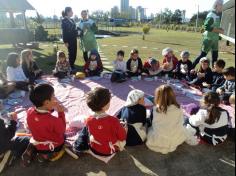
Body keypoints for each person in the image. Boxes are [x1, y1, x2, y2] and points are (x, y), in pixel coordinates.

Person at [74, 87, 127, 156]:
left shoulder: (88, 119)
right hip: (109, 151)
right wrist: (124, 129)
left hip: (95, 149)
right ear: (104, 106)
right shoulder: (114, 120)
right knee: (125, 130)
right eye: (109, 102)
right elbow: (122, 137)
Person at [27, 84, 66, 162]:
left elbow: (41, 119)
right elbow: (62, 130)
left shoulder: (29, 111)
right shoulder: (53, 120)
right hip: (52, 146)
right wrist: (61, 113)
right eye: (53, 96)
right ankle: (53, 153)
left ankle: (39, 152)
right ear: (47, 102)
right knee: (64, 136)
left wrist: (50, 108)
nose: (55, 98)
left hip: (38, 145)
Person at [146, 85, 188, 154]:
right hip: (175, 136)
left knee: (148, 125)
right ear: (172, 95)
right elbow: (181, 122)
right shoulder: (179, 108)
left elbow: (152, 122)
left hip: (159, 138)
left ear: (158, 97)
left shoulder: (156, 109)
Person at [192, 0, 225, 68]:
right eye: (221, 5)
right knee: (202, 56)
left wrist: (219, 32)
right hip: (208, 39)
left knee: (215, 57)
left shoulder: (217, 15)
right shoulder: (211, 15)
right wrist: (218, 30)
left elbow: (214, 26)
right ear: (216, 5)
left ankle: (214, 73)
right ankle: (191, 68)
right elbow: (206, 26)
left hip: (214, 40)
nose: (222, 6)